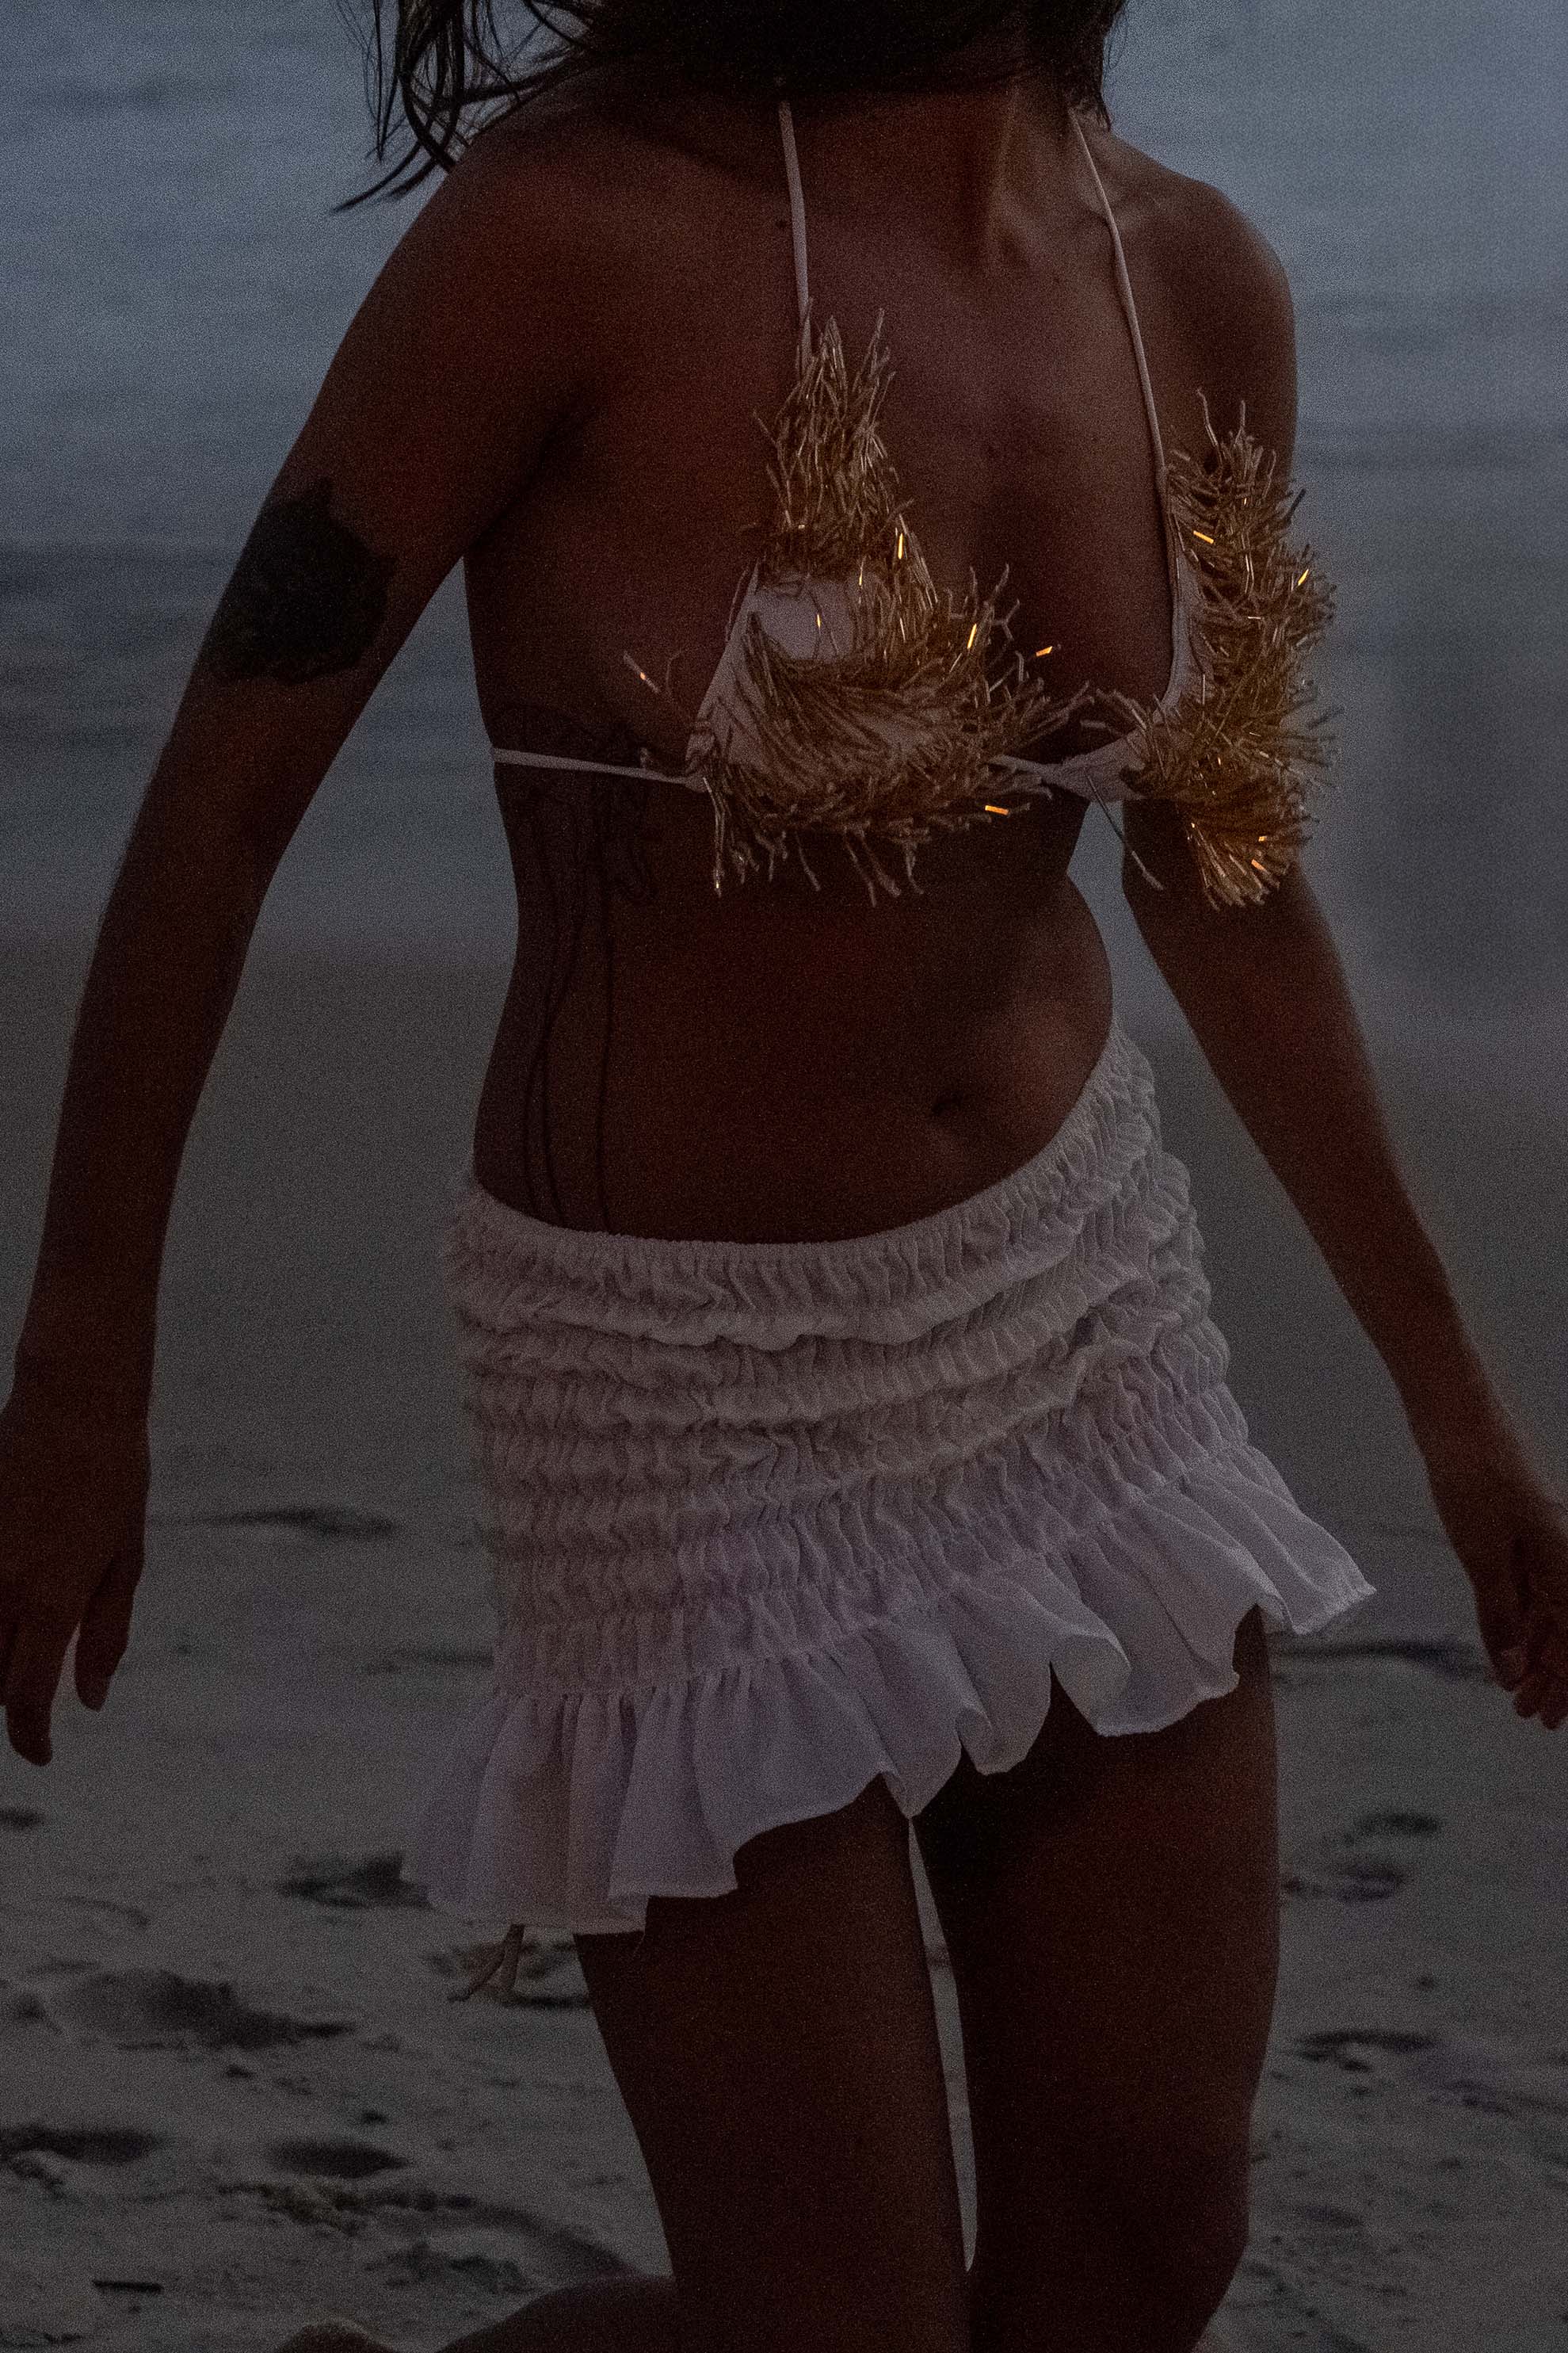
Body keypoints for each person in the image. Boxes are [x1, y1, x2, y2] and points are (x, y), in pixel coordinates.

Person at [3, 6, 1566, 2352]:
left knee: (1147, 2249)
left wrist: (1458, 1413)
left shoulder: (1189, 274)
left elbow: (1218, 877)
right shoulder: (577, 234)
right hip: (681, 1381)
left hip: (1079, 1313)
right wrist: (81, 1366)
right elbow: (222, 806)